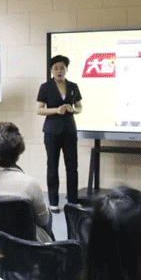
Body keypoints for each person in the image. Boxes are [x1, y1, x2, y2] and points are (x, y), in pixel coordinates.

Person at [0, 122, 53, 242]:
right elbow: (43, 221)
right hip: (26, 246)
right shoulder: (30, 185)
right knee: (48, 215)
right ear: (19, 150)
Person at [37, 54, 82, 212]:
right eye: (56, 68)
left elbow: (80, 107)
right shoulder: (45, 87)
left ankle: (73, 200)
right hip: (52, 132)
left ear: (66, 69)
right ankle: (53, 202)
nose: (59, 71)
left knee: (72, 166)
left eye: (62, 68)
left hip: (69, 130)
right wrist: (56, 110)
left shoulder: (73, 86)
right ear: (52, 70)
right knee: (52, 166)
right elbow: (39, 110)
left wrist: (73, 110)